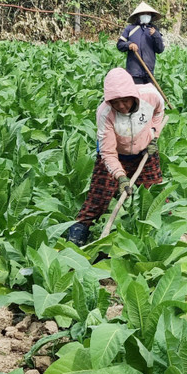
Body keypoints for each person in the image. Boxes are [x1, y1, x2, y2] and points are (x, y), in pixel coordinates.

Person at [66, 68, 165, 246]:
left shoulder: (150, 95)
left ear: (133, 95)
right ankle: (76, 237)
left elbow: (159, 112)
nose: (120, 106)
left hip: (145, 154)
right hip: (115, 156)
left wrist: (153, 134)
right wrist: (120, 176)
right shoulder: (105, 112)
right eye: (115, 102)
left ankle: (161, 235)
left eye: (125, 100)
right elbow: (108, 152)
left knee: (154, 195)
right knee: (98, 198)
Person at [117, 2, 165, 84]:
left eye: (148, 14)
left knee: (149, 95)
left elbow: (160, 49)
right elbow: (119, 45)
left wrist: (156, 35)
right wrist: (129, 45)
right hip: (134, 72)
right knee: (136, 95)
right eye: (143, 13)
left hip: (149, 72)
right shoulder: (130, 29)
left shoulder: (154, 30)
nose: (146, 15)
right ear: (138, 15)